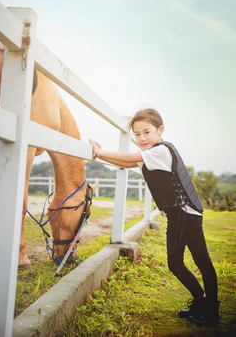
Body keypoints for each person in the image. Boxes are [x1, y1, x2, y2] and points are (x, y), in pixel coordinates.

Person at [89, 108, 219, 327]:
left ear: (160, 130)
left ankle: (211, 310)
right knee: (175, 263)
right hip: (177, 216)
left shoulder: (161, 151)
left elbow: (130, 157)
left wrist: (100, 153)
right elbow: (127, 163)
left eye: (146, 132)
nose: (142, 138)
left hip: (187, 214)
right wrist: (102, 154)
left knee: (201, 260)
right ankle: (202, 301)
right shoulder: (150, 155)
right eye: (137, 135)